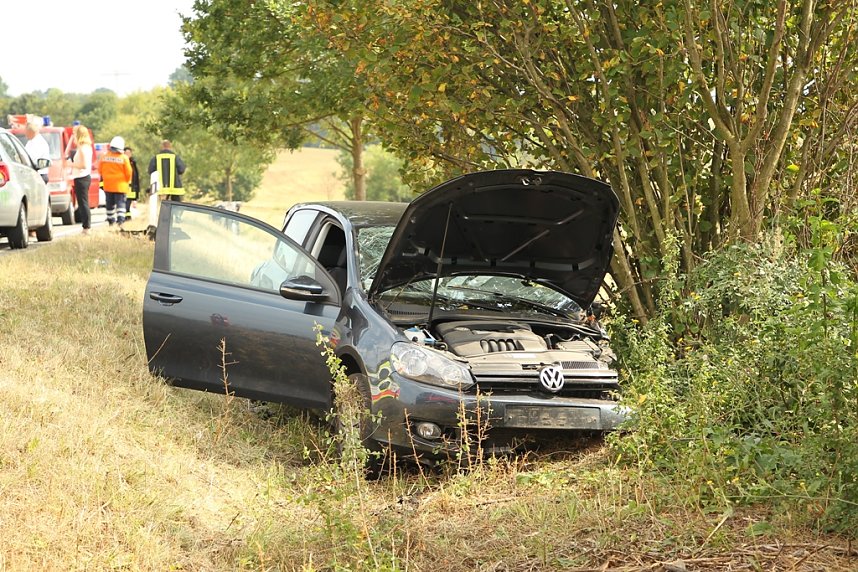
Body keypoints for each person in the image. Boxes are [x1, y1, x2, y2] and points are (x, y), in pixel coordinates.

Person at [99, 136, 133, 228]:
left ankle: (111, 221)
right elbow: (129, 172)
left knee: (109, 204)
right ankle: (120, 222)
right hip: (120, 186)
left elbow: (100, 170)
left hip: (108, 185)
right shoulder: (124, 158)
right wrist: (126, 181)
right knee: (121, 204)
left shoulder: (104, 157)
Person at [70, 124, 93, 235]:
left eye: (74, 133)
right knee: (82, 202)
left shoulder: (83, 148)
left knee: (83, 203)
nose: (73, 136)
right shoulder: (85, 147)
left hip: (82, 177)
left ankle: (86, 227)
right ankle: (86, 226)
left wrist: (71, 165)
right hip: (81, 177)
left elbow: (83, 165)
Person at [123, 146, 140, 220]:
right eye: (126, 153)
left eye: (129, 153)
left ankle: (127, 216)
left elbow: (136, 175)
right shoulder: (122, 161)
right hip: (123, 185)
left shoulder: (133, 162)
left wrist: (136, 188)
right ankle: (126, 216)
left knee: (128, 202)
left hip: (132, 186)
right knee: (125, 202)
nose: (128, 154)